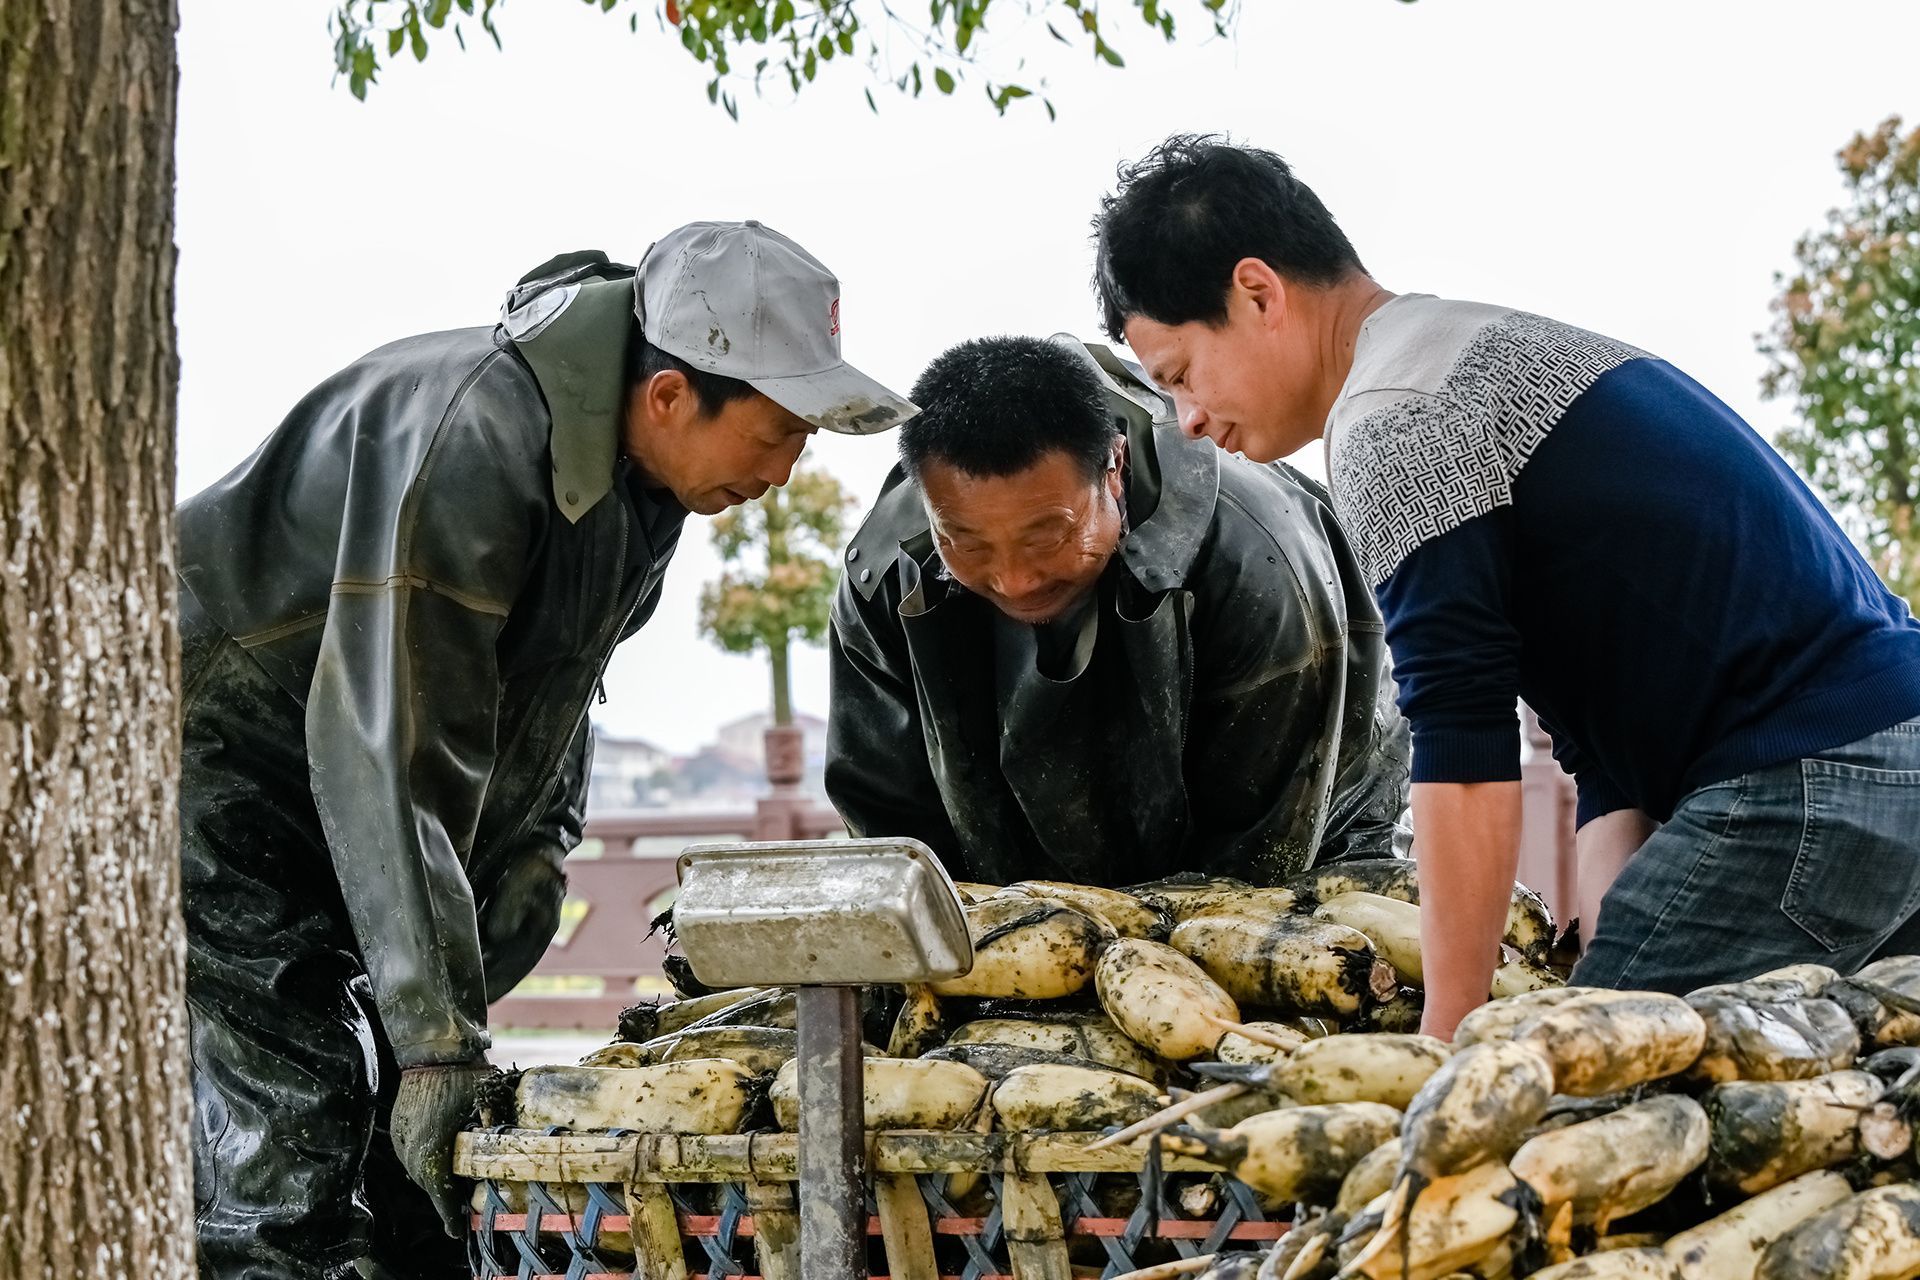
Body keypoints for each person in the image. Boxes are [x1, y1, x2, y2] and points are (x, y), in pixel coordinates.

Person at [175, 221, 914, 1279]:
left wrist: (532, 860)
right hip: (222, 763)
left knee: (420, 1178)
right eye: (778, 432)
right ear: (670, 397)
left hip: (351, 776)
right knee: (287, 1145)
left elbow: (557, 694)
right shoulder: (473, 435)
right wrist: (434, 1038)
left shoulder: (647, 488)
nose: (787, 470)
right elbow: (388, 738)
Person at [1093, 134, 1920, 1037]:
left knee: (1576, 1094)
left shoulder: (1394, 418)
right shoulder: (1473, 349)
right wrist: (1615, 914)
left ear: (1258, 293)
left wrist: (1446, 1037)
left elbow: (1464, 745)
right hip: (1880, 762)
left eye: (1180, 376)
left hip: (1811, 777)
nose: (1192, 420)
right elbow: (1610, 721)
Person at [826, 333, 1409, 889]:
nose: (1015, 579)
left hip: (1300, 838)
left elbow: (1259, 857)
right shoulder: (882, 572)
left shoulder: (1254, 558)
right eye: (969, 545)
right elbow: (888, 826)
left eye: (1046, 537)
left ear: (1114, 467)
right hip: (1017, 892)